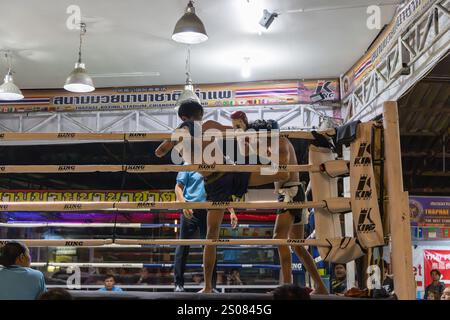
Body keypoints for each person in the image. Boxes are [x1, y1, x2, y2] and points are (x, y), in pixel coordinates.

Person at [155, 101, 291, 293]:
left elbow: (159, 152)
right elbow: (240, 130)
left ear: (182, 117)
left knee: (211, 235)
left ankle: (208, 287)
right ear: (200, 116)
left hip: (217, 181)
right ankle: (208, 286)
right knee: (282, 173)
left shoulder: (201, 129)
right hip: (226, 176)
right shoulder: (210, 126)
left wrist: (175, 137)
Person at [230, 111, 328, 294]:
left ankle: (287, 288)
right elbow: (272, 163)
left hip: (290, 192)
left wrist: (251, 178)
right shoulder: (275, 144)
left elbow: (282, 173)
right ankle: (321, 287)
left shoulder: (281, 142)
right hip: (292, 192)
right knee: (297, 245)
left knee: (279, 237)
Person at [174, 168, 237, 292]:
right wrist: (184, 205)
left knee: (210, 245)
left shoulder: (213, 164)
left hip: (209, 209)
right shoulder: (188, 164)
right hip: (190, 208)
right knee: (183, 245)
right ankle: (178, 284)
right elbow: (178, 187)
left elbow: (223, 190)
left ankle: (211, 286)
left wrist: (232, 211)